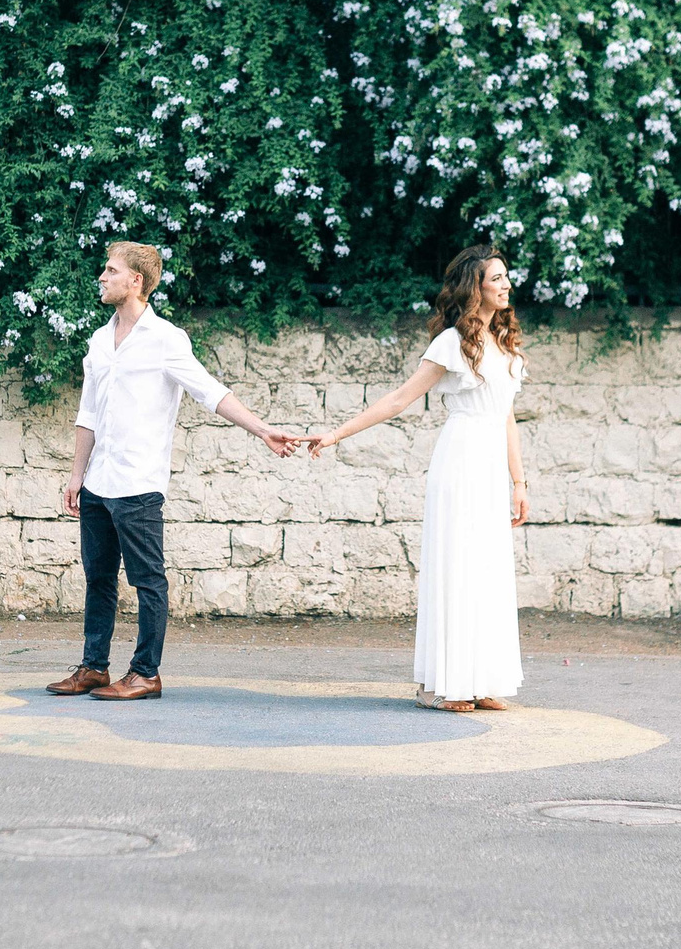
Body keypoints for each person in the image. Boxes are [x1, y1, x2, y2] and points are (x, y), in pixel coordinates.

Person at [48, 241, 298, 702]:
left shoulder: (167, 339)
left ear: (135, 280)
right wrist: (75, 474)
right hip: (98, 481)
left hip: (138, 482)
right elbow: (89, 413)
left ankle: (145, 672)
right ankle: (94, 667)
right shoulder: (99, 342)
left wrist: (262, 430)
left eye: (111, 270)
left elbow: (210, 392)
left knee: (147, 580)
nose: (101, 277)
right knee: (98, 578)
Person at [308, 247, 528, 711]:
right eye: (497, 278)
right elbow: (398, 400)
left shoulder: (504, 344)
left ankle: (480, 678)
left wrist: (519, 482)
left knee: (486, 570)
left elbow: (506, 417)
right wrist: (335, 435)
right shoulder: (451, 343)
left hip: (491, 468)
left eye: (507, 277)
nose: (506, 284)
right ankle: (438, 686)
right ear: (476, 287)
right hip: (461, 460)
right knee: (457, 567)